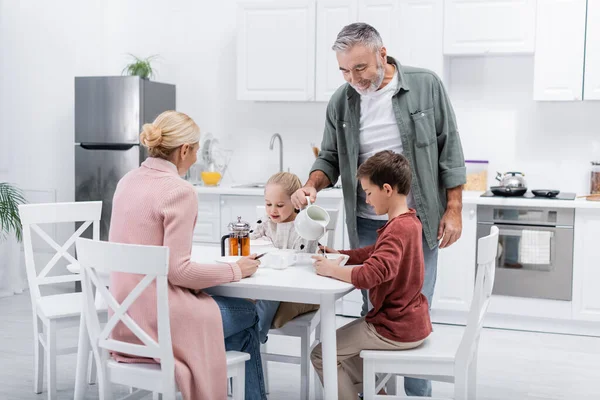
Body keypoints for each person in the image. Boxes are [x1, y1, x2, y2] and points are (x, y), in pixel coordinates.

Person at [291, 22, 466, 397]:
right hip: (367, 221)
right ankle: (377, 390)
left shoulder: (425, 84)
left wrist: (454, 208)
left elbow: (449, 147)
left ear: (382, 55)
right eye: (343, 70)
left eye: (360, 68)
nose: (352, 78)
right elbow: (329, 157)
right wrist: (310, 184)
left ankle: (418, 393)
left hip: (418, 222)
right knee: (372, 314)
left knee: (415, 309)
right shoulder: (342, 100)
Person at [108, 110, 266, 400]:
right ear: (183, 150)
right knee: (250, 313)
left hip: (122, 324)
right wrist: (237, 270)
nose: (196, 158)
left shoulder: (127, 181)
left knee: (235, 325)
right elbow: (179, 272)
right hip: (158, 325)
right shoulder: (179, 191)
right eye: (195, 150)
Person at [310, 150, 432, 399]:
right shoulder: (408, 222)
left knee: (322, 354)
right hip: (409, 322)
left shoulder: (397, 229)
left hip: (393, 327)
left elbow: (370, 275)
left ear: (387, 189)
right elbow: (374, 252)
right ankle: (379, 394)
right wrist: (340, 254)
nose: (366, 200)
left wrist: (332, 269)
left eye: (368, 192)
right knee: (343, 353)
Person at [250, 171, 319, 343]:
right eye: (268, 204)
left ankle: (254, 337)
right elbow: (249, 242)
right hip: (267, 280)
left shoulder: (303, 226)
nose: (272, 210)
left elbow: (304, 259)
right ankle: (244, 335)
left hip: (293, 285)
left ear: (295, 204)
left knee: (268, 295)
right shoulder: (265, 222)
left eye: (280, 205)